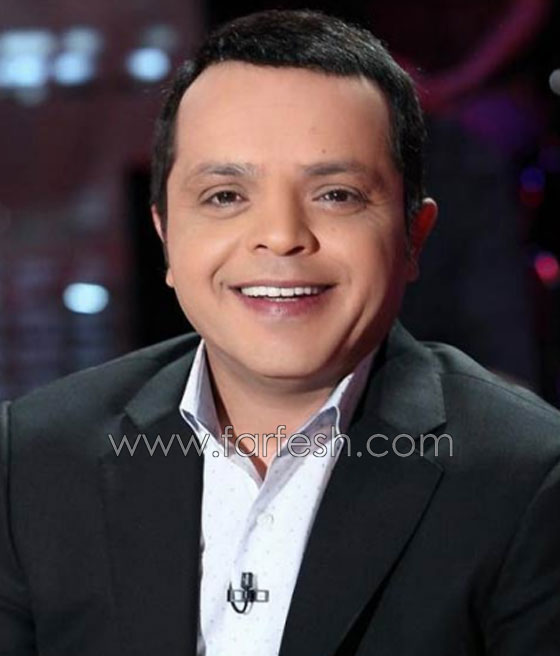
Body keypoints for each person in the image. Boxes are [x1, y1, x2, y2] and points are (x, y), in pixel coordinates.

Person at [1, 10, 559, 656]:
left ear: (414, 236)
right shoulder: (34, 459)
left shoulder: (527, 478)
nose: (282, 236)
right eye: (225, 196)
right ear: (166, 237)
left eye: (337, 194)